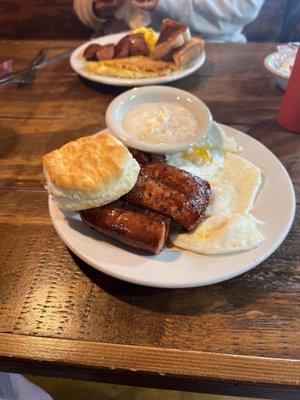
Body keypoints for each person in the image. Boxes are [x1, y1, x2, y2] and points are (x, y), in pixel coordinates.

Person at [74, 0, 265, 42]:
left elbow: (243, 7)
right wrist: (98, 6)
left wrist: (167, 3)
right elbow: (85, 11)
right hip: (114, 50)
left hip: (209, 50)